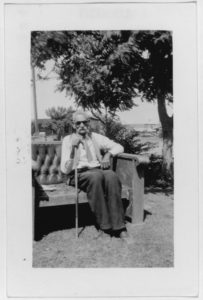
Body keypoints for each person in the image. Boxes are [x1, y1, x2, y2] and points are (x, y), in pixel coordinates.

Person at [60, 110, 129, 240]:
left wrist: (108, 154)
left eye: (84, 122)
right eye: (78, 123)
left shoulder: (95, 137)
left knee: (112, 176)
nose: (81, 125)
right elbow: (65, 170)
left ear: (89, 123)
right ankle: (105, 227)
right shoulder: (67, 140)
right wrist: (71, 151)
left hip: (97, 170)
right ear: (73, 125)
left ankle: (120, 227)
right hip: (77, 173)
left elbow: (119, 147)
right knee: (96, 177)